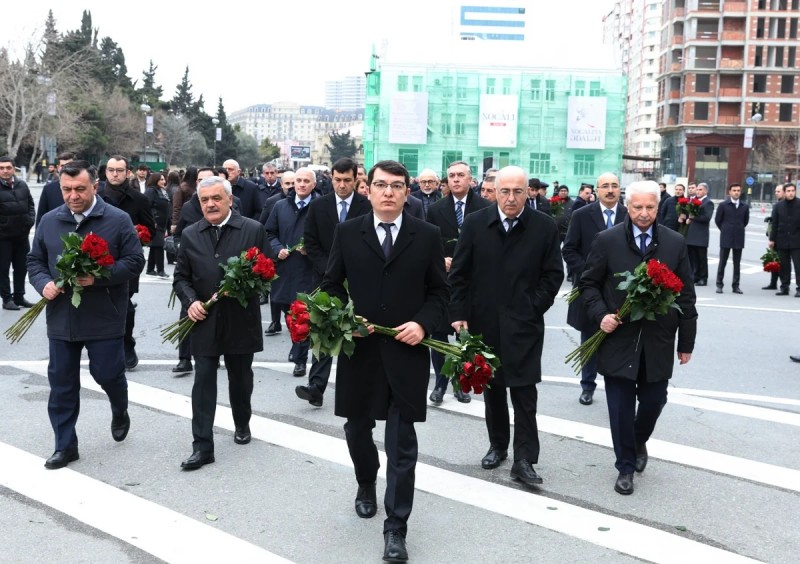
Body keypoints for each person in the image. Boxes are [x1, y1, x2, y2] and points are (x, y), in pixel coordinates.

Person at [320, 160, 448, 563]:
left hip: (407, 353)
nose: (388, 192)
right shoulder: (348, 232)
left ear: (407, 192)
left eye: (396, 186)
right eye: (380, 185)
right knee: (357, 430)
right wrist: (344, 319)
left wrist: (422, 324)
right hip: (360, 351)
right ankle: (365, 481)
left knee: (402, 444)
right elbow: (330, 286)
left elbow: (440, 293)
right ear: (368, 190)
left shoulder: (426, 235)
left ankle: (396, 527)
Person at [449, 165, 564, 487]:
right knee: (493, 388)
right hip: (484, 321)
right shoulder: (476, 223)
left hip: (524, 322)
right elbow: (459, 273)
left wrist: (533, 306)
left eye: (517, 191)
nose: (511, 198)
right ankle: (498, 445)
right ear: (494, 192)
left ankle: (524, 459)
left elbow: (553, 274)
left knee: (525, 391)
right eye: (505, 191)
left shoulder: (543, 226)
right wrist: (458, 313)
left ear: (528, 193)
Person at [581, 180, 697, 495]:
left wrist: (686, 342)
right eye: (637, 207)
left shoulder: (674, 242)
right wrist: (601, 315)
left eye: (650, 207)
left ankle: (637, 440)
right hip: (619, 339)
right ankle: (625, 467)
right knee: (620, 408)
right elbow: (588, 284)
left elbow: (686, 295)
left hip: (659, 339)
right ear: (627, 206)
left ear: (658, 207)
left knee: (654, 400)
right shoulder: (607, 241)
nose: (644, 213)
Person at [28, 160, 145, 469]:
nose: (73, 196)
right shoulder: (50, 220)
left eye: (80, 189)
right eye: (66, 189)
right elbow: (35, 260)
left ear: (95, 186)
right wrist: (43, 283)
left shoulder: (117, 220)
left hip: (104, 315)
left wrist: (99, 277)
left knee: (107, 374)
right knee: (62, 384)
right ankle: (65, 446)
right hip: (61, 317)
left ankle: (119, 407)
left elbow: (135, 261)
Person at [173, 176, 269, 470]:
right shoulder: (191, 234)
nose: (211, 204)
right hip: (204, 320)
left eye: (216, 198)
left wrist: (245, 286)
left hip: (241, 319)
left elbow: (266, 273)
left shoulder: (252, 229)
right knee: (203, 381)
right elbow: (181, 277)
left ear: (229, 199)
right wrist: (191, 302)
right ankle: (202, 446)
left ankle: (242, 421)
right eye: (205, 200)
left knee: (240, 379)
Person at [295, 158, 371, 407]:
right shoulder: (318, 206)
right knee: (324, 330)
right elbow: (311, 241)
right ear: (331, 178)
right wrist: (330, 269)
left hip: (358, 280)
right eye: (337, 180)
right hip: (326, 279)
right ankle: (316, 387)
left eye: (347, 180)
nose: (342, 185)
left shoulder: (366, 206)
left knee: (357, 331)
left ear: (356, 179)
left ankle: (358, 387)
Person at [426, 160, 491, 405]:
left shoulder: (485, 207)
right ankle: (440, 384)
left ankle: (461, 384)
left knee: (466, 337)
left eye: (460, 175)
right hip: (444, 281)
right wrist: (439, 259)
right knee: (439, 336)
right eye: (451, 175)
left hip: (473, 282)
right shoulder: (436, 209)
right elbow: (429, 241)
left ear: (470, 179)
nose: (455, 179)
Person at [562, 172, 627, 406]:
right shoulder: (581, 215)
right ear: (596, 191)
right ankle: (587, 385)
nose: (610, 190)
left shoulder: (629, 214)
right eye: (605, 186)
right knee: (589, 336)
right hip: (589, 288)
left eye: (614, 185)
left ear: (620, 189)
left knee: (619, 338)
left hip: (620, 289)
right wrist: (589, 272)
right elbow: (569, 249)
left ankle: (617, 387)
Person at [98, 155, 156, 370]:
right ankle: (106, 346)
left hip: (127, 261)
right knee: (101, 305)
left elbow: (151, 230)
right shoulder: (96, 196)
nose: (115, 174)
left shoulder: (138, 199)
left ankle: (126, 343)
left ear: (127, 173)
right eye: (111, 170)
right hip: (96, 258)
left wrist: (138, 235)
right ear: (106, 172)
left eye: (119, 170)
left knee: (125, 306)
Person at [266, 167, 317, 376]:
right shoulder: (280, 206)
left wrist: (312, 249)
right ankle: (297, 346)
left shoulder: (320, 206)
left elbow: (329, 236)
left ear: (314, 184)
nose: (302, 184)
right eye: (299, 180)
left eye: (306, 181)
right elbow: (269, 233)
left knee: (302, 315)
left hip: (309, 271)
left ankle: (300, 359)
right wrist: (277, 249)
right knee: (289, 314)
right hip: (285, 269)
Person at [260, 170, 295, 337]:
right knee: (277, 291)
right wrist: (275, 248)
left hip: (296, 254)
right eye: (287, 183)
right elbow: (264, 226)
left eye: (293, 183)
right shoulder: (273, 202)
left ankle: (293, 322)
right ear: (281, 185)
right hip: (277, 253)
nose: (291, 186)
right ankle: (275, 321)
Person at [0, 156, 35, 310]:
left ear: (14, 169)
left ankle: (19, 297)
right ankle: (7, 299)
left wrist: (29, 221)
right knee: (3, 269)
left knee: (21, 268)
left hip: (21, 235)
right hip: (3, 238)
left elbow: (31, 205)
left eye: (8, 167)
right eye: (1, 168)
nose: (5, 171)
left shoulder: (22, 185)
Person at [715, 183, 749, 294]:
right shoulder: (723, 205)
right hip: (726, 237)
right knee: (722, 262)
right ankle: (719, 284)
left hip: (739, 237)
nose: (736, 192)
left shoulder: (744, 206)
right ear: (729, 192)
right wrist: (725, 229)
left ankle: (736, 286)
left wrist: (738, 228)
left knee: (737, 263)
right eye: (734, 190)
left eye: (738, 190)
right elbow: (718, 220)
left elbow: (745, 221)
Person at [768, 182, 800, 297]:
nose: (791, 193)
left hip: (797, 241)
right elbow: (775, 224)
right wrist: (772, 239)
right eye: (788, 191)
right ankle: (784, 287)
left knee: (798, 266)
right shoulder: (778, 206)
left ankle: (799, 288)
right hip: (782, 240)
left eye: (793, 191)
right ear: (784, 192)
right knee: (784, 266)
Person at [36, 152, 76, 227]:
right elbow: (41, 217)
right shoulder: (48, 189)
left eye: (70, 165)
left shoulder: (83, 187)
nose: (66, 168)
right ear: (58, 168)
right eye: (63, 166)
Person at [686, 182, 714, 286]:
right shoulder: (694, 201)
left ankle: (703, 278)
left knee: (701, 258)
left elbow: (706, 218)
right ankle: (695, 276)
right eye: (697, 189)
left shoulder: (708, 203)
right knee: (693, 258)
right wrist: (689, 218)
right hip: (692, 233)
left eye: (700, 190)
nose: (698, 191)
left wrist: (694, 217)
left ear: (706, 191)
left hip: (701, 235)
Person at [144, 172, 171, 277]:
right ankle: (160, 270)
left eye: (164, 179)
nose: (164, 181)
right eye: (161, 179)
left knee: (155, 245)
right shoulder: (151, 191)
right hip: (155, 223)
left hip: (162, 223)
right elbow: (147, 207)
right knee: (159, 245)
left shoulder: (162, 191)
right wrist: (152, 221)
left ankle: (150, 269)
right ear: (155, 180)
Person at [763, 184, 785, 290]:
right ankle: (773, 283)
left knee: (783, 262)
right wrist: (770, 219)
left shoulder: (786, 204)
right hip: (775, 236)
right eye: (775, 191)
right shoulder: (777, 204)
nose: (776, 193)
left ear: (784, 192)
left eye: (778, 191)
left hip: (783, 237)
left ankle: (784, 284)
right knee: (774, 260)